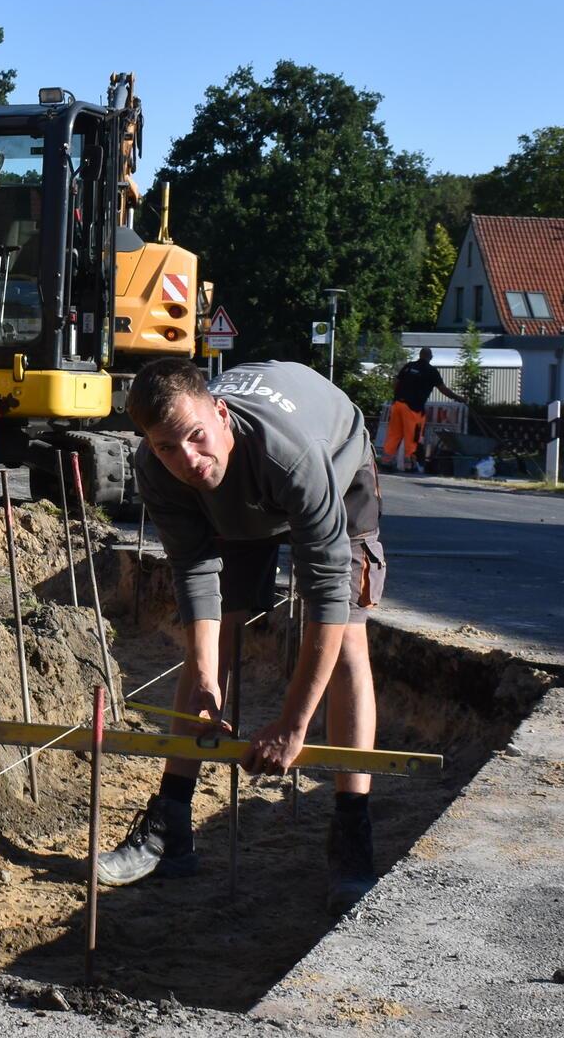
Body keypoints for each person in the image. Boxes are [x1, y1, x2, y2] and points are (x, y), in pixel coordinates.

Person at [98, 357, 386, 915]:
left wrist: (293, 725)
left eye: (195, 437)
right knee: (214, 638)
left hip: (336, 471)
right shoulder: (160, 467)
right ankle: (171, 827)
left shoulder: (294, 455)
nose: (187, 459)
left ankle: (353, 832)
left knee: (348, 635)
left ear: (221, 415)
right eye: (166, 447)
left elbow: (325, 597)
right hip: (240, 501)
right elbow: (194, 572)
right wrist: (205, 672)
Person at [381, 348, 462, 472]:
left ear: (420, 355)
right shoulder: (431, 371)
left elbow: (396, 382)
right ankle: (410, 465)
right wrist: (458, 398)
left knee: (393, 434)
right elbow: (443, 389)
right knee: (412, 437)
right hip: (413, 408)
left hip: (397, 404)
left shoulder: (408, 366)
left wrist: (397, 396)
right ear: (430, 357)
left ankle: (386, 462)